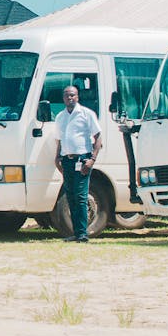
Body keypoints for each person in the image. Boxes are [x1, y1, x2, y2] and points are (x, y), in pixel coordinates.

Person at [54, 85, 102, 243]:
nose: (70, 98)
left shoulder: (86, 114)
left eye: (73, 95)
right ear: (63, 98)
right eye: (67, 95)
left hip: (82, 160)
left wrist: (92, 159)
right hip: (67, 161)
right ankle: (76, 232)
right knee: (71, 197)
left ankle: (82, 234)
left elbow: (98, 137)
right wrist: (57, 158)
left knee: (81, 197)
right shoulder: (60, 117)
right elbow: (60, 139)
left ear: (77, 97)